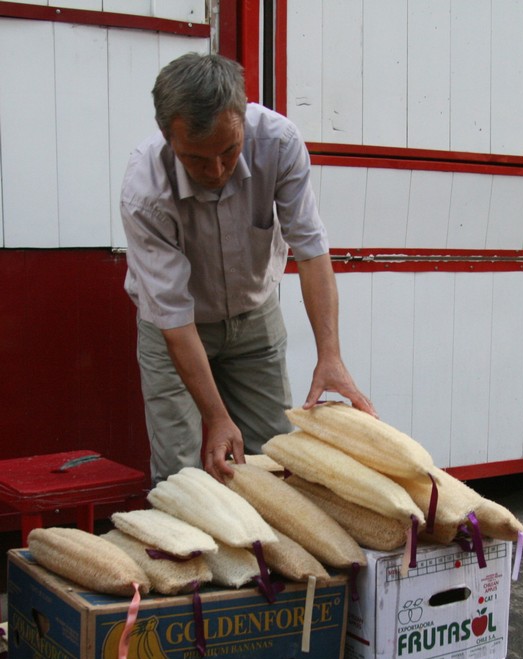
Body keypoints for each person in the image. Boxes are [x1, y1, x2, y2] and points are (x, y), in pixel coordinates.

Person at [121, 52, 376, 486]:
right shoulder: (144, 191)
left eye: (228, 151)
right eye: (197, 160)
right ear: (168, 138)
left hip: (254, 316)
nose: (216, 171)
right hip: (176, 331)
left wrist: (330, 355)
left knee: (276, 457)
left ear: (242, 118)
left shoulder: (278, 142)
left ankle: (268, 553)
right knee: (180, 474)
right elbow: (175, 320)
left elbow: (311, 250)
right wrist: (216, 418)